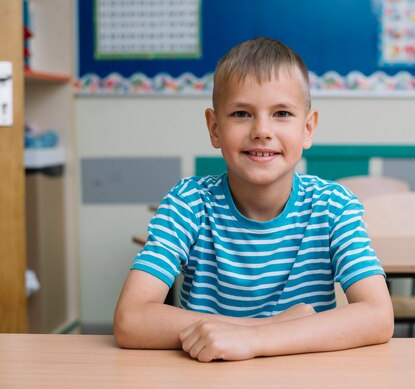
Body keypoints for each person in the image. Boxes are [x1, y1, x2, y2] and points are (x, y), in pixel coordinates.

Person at [114, 37, 393, 362]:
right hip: (208, 382)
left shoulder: (334, 206)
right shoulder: (188, 203)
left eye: (282, 113)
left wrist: (255, 339)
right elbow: (130, 320)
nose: (262, 130)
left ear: (308, 128)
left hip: (308, 385)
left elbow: (378, 316)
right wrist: (268, 326)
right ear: (215, 128)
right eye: (242, 113)